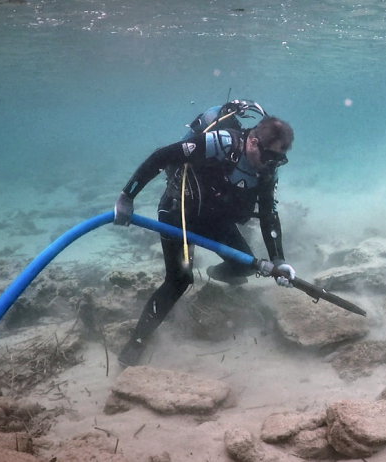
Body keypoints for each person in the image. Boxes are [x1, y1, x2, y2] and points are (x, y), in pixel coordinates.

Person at [112, 100, 297, 367]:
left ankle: (212, 279)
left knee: (244, 265)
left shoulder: (267, 173)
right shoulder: (220, 143)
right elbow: (160, 156)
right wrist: (126, 198)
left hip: (215, 220)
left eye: (281, 159)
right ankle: (136, 343)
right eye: (271, 157)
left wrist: (278, 260)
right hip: (178, 215)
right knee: (179, 281)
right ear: (254, 142)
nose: (273, 165)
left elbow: (269, 213)